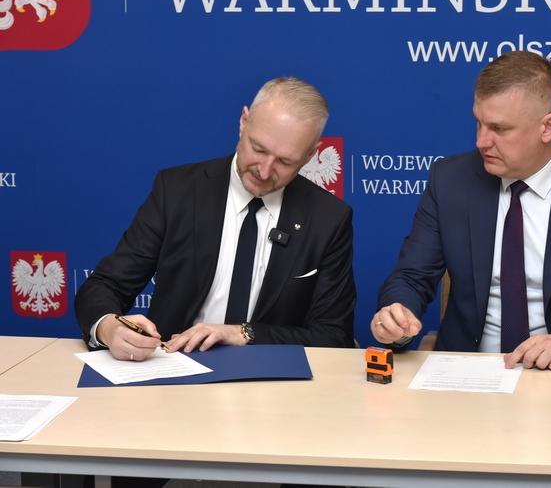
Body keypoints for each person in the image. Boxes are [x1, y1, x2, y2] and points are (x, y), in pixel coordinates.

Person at [371, 51, 551, 370]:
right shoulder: (450, 181)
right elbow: (412, 276)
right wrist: (397, 316)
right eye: (479, 123)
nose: (482, 141)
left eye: (499, 128)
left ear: (548, 127)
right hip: (468, 373)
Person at [76, 77, 356, 361]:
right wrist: (109, 328)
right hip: (172, 367)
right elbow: (105, 285)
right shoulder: (177, 191)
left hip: (272, 378)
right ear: (243, 122)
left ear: (310, 155)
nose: (264, 170)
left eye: (285, 161)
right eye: (258, 149)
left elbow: (334, 336)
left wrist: (244, 333)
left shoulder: (328, 219)